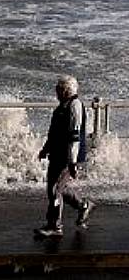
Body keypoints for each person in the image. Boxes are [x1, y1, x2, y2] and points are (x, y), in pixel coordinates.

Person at [35, 75, 93, 237]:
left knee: (55, 189)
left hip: (68, 157)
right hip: (57, 154)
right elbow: (53, 133)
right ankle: (83, 205)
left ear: (67, 90)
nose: (56, 91)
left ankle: (55, 226)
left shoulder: (75, 106)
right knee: (57, 188)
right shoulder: (61, 107)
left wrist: (72, 162)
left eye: (59, 88)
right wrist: (45, 148)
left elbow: (74, 136)